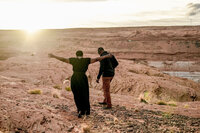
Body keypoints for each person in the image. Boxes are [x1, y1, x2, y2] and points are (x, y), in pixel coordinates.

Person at [48, 50, 112, 118]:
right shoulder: (86, 60)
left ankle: (80, 110)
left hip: (75, 78)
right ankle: (86, 111)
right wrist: (107, 56)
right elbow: (97, 59)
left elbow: (63, 59)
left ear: (76, 55)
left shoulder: (73, 60)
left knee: (76, 94)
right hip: (83, 78)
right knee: (84, 94)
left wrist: (53, 56)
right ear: (82, 55)